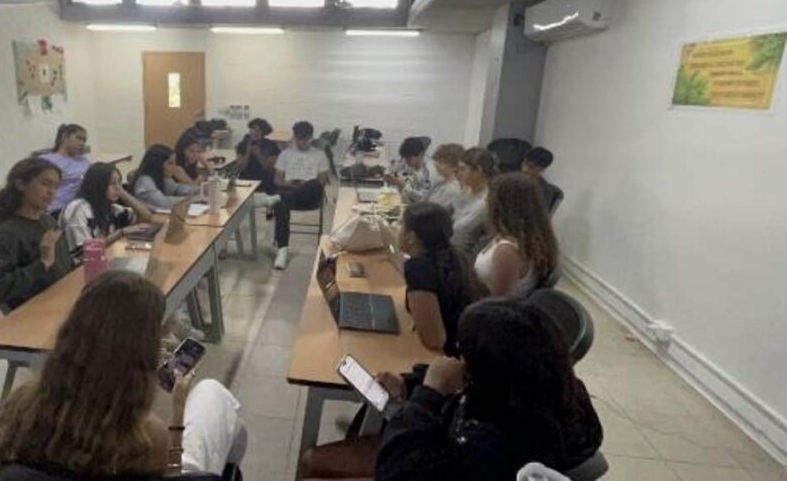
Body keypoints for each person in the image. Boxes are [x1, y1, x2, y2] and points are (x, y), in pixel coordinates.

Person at [299, 300, 602, 480]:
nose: (459, 359)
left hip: (422, 460)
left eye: (464, 353)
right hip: (438, 448)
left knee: (312, 462)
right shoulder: (543, 386)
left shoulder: (496, 442)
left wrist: (428, 395)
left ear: (484, 372)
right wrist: (410, 383)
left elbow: (396, 472)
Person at [0, 270, 248, 479]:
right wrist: (178, 411)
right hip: (165, 462)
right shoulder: (145, 438)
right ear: (141, 351)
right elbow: (174, 472)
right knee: (213, 394)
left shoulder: (20, 407)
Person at [0, 158, 74, 311]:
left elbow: (64, 267)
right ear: (21, 184)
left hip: (62, 299)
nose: (51, 192)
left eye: (55, 187)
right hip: (36, 312)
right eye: (45, 184)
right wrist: (42, 263)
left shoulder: (48, 221)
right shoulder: (7, 233)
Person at [398, 202, 482, 355]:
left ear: (411, 237)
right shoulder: (452, 255)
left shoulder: (419, 269)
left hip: (451, 357)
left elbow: (435, 340)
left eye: (401, 225)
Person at [260, 121, 330, 270]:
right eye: (299, 139)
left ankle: (276, 198)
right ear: (294, 137)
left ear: (311, 138)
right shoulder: (286, 154)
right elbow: (277, 180)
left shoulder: (320, 155)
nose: (302, 143)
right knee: (281, 204)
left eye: (305, 139)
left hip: (310, 196)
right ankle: (282, 251)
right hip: (289, 192)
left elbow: (321, 183)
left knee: (313, 184)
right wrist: (291, 184)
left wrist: (304, 185)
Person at [475, 173, 559, 297]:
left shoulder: (508, 251)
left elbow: (496, 300)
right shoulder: (524, 237)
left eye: (490, 196)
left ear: (502, 204)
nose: (486, 200)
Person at [59, 162, 156, 251]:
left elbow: (146, 217)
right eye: (112, 183)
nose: (118, 188)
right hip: (79, 263)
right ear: (98, 185)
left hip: (104, 258)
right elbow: (86, 249)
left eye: (119, 182)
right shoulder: (78, 208)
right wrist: (120, 233)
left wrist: (123, 193)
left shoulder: (112, 208)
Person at [452, 147, 498, 254]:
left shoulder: (488, 201)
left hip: (466, 258)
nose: (459, 174)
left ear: (478, 170)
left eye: (463, 169)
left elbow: (490, 240)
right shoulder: (463, 191)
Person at [39, 123, 91, 215]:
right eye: (78, 138)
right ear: (65, 137)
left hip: (83, 207)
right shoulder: (48, 160)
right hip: (58, 209)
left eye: (84, 140)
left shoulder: (84, 161)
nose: (82, 143)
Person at [130, 144, 197, 211]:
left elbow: (177, 189)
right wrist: (191, 199)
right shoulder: (144, 181)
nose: (174, 167)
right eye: (170, 163)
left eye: (174, 163)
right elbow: (163, 203)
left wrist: (200, 190)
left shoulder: (162, 177)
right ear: (157, 164)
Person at [236, 118, 281, 194]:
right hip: (246, 183)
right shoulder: (242, 145)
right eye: (253, 128)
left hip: (265, 183)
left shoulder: (272, 145)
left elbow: (270, 169)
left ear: (264, 132)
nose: (255, 132)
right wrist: (248, 153)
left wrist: (259, 154)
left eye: (259, 130)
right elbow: (241, 168)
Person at [385, 137, 434, 204]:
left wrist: (404, 185)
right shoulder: (412, 163)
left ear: (421, 154)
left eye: (409, 158)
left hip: (421, 207)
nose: (406, 161)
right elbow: (393, 167)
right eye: (405, 158)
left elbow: (423, 198)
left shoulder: (428, 172)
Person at [423, 143, 466, 216]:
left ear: (455, 166)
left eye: (441, 162)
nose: (436, 165)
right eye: (437, 161)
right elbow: (423, 201)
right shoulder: (440, 182)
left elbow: (433, 212)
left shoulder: (453, 189)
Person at [522, 146, 565, 215]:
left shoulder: (546, 191)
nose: (525, 169)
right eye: (525, 163)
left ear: (542, 169)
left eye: (531, 167)